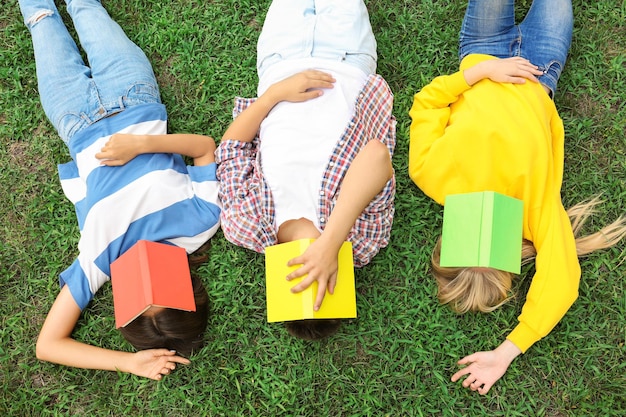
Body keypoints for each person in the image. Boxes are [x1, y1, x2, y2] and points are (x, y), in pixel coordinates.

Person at [408, 0, 626, 394]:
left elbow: (427, 102)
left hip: (483, 49)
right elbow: (561, 281)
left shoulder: (432, 175)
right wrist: (507, 350)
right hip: (541, 67)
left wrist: (479, 72)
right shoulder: (535, 211)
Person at [19, 0, 221, 380]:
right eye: (159, 285)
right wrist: (143, 145)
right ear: (188, 288)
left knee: (41, 18)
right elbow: (204, 148)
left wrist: (128, 362)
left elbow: (47, 345)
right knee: (86, 9)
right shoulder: (200, 223)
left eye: (136, 293)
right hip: (135, 96)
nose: (143, 269)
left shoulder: (100, 262)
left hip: (73, 118)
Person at [215, 0, 396, 338]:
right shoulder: (360, 241)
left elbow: (230, 150)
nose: (314, 270)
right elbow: (376, 156)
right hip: (348, 57)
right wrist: (331, 241)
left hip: (280, 60)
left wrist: (274, 95)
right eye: (324, 277)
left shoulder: (245, 225)